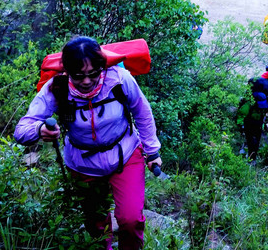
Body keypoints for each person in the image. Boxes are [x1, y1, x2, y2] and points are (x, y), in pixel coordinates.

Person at [14, 36, 161, 250]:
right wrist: (39, 130)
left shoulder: (119, 79)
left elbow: (142, 111)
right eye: (78, 75)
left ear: (102, 67)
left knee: (130, 219)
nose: (86, 81)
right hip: (83, 164)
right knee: (96, 226)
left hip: (126, 154)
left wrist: (152, 151)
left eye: (93, 74)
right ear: (67, 71)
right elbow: (21, 130)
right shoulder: (57, 88)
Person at [236, 77, 268, 162]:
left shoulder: (267, 102)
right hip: (248, 123)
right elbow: (241, 114)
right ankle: (251, 157)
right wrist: (241, 124)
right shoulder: (250, 103)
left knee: (257, 141)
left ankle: (253, 156)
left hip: (259, 124)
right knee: (251, 141)